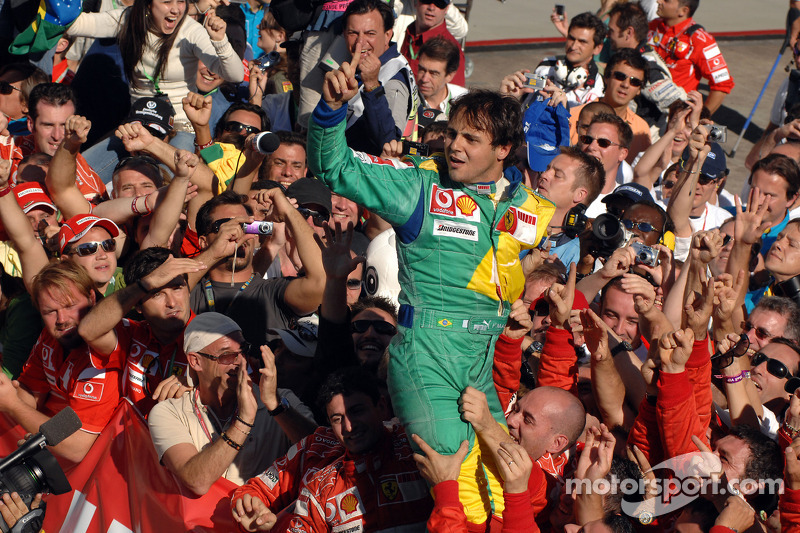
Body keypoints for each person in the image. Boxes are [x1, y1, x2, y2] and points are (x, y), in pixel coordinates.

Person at [309, 60, 556, 524]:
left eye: (471, 139)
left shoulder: (524, 201)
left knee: (509, 489)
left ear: (503, 149)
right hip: (427, 357)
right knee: (461, 493)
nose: (455, 147)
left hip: (482, 362)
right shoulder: (418, 187)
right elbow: (334, 167)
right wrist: (330, 111)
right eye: (455, 133)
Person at [230, 367, 432, 532]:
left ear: (381, 406)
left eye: (357, 411)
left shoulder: (416, 444)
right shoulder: (318, 474)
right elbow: (254, 491)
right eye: (337, 419)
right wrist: (251, 509)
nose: (349, 426)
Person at [148, 312, 316, 495]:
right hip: (201, 523)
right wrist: (243, 422)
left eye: (243, 351)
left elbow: (322, 452)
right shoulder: (169, 412)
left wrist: (276, 407)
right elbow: (196, 480)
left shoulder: (281, 402)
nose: (240, 361)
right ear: (195, 361)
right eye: (226, 356)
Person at [0, 262, 124, 464]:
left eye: (70, 305)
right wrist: (12, 399)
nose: (61, 319)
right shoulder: (52, 337)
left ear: (92, 298)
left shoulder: (103, 354)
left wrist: (13, 405)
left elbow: (76, 447)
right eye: (50, 311)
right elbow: (31, 393)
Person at [65, 0, 245, 132]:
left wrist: (220, 41)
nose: (175, 10)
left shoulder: (191, 31)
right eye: (167, 2)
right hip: (137, 126)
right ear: (147, 4)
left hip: (180, 128)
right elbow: (75, 25)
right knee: (86, 172)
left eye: (181, 2)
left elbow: (235, 75)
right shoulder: (129, 19)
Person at [189, 190, 325, 347]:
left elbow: (321, 282)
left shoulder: (273, 292)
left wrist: (288, 211)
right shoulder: (187, 291)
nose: (237, 233)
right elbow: (157, 287)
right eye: (225, 226)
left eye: (246, 226)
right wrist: (214, 253)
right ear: (204, 242)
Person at [339, 0, 420, 155]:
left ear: (388, 35)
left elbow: (389, 143)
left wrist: (372, 86)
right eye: (353, 33)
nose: (360, 42)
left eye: (370, 34)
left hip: (366, 173)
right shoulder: (351, 66)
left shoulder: (395, 77)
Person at [9, 83, 106, 202]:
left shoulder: (85, 184)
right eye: (48, 125)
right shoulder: (11, 147)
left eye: (65, 125)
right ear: (31, 124)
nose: (57, 135)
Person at [606, 2, 686, 130]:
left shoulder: (647, 65)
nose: (608, 35)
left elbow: (680, 104)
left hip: (645, 143)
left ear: (628, 32)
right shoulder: (635, 56)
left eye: (611, 31)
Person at [501, 12, 606, 109]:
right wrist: (509, 99)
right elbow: (524, 106)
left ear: (597, 48)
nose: (574, 46)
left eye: (582, 42)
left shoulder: (598, 85)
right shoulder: (546, 65)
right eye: (571, 38)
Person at [647, 0, 734, 115]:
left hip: (674, 117)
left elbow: (722, 83)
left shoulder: (701, 40)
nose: (658, 1)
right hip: (642, 108)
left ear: (683, 11)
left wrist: (701, 116)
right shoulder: (652, 26)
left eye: (667, 0)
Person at [568, 49, 652, 163]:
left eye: (635, 82)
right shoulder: (572, 116)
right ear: (606, 77)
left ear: (639, 90)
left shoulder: (641, 129)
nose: (625, 85)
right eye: (620, 76)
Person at [535, 147, 604, 268]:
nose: (544, 175)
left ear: (579, 195)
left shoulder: (580, 253)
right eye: (547, 168)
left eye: (557, 175)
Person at [578, 113, 634, 216]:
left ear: (622, 153)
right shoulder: (558, 186)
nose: (591, 147)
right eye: (587, 140)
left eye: (603, 142)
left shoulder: (624, 204)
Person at [399, 0, 466, 86]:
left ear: (446, 8)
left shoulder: (450, 48)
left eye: (439, 3)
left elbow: (456, 95)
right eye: (427, 1)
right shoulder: (410, 32)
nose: (431, 8)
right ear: (416, 3)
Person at [415, 36, 467, 116]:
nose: (424, 79)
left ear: (450, 76)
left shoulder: (464, 101)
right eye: (422, 70)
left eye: (433, 73)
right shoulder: (405, 99)